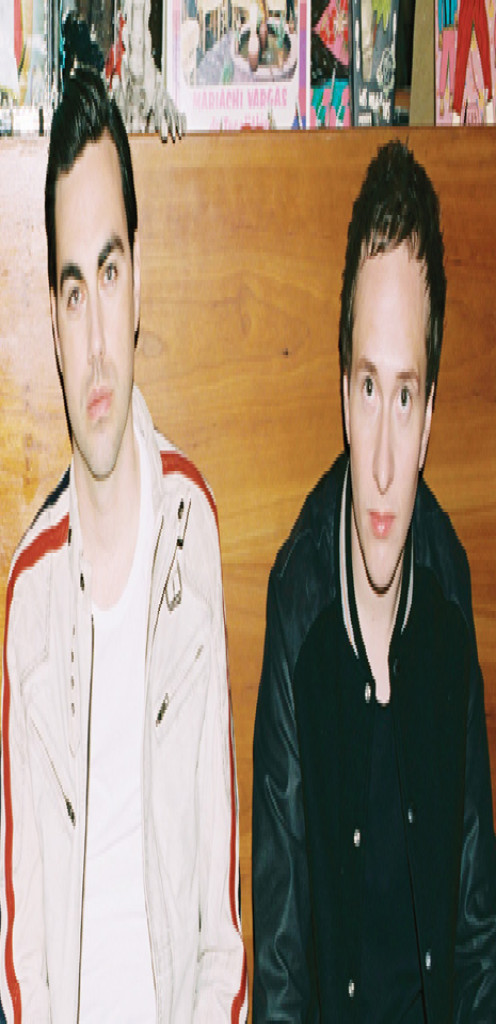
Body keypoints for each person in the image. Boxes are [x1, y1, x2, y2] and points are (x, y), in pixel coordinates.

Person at [0, 66, 248, 1023]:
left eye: (109, 274)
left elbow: (221, 932)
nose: (98, 338)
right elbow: (20, 955)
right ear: (53, 325)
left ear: (139, 279)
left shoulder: (192, 529)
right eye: (73, 292)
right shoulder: (31, 589)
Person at [252, 139, 496, 1021]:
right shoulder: (299, 603)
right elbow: (280, 964)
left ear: (428, 417)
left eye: (404, 394)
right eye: (367, 387)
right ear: (341, 395)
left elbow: (476, 930)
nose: (385, 462)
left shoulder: (450, 588)